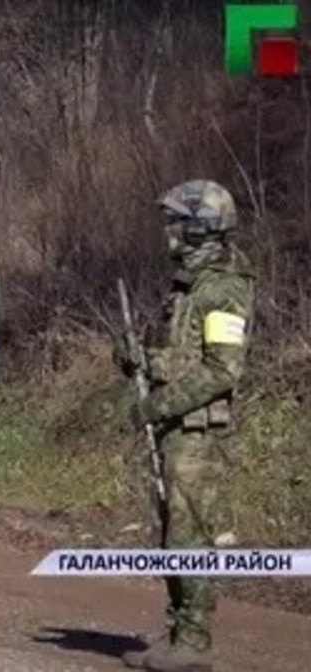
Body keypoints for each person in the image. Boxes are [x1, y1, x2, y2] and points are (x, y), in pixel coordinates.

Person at [116, 180, 255, 672]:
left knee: (189, 536)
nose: (169, 232)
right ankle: (179, 628)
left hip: (196, 433)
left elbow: (222, 370)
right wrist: (138, 359)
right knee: (173, 534)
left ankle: (194, 641)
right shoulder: (187, 287)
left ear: (201, 228)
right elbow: (178, 356)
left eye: (177, 222)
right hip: (177, 427)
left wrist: (160, 404)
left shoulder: (224, 289)